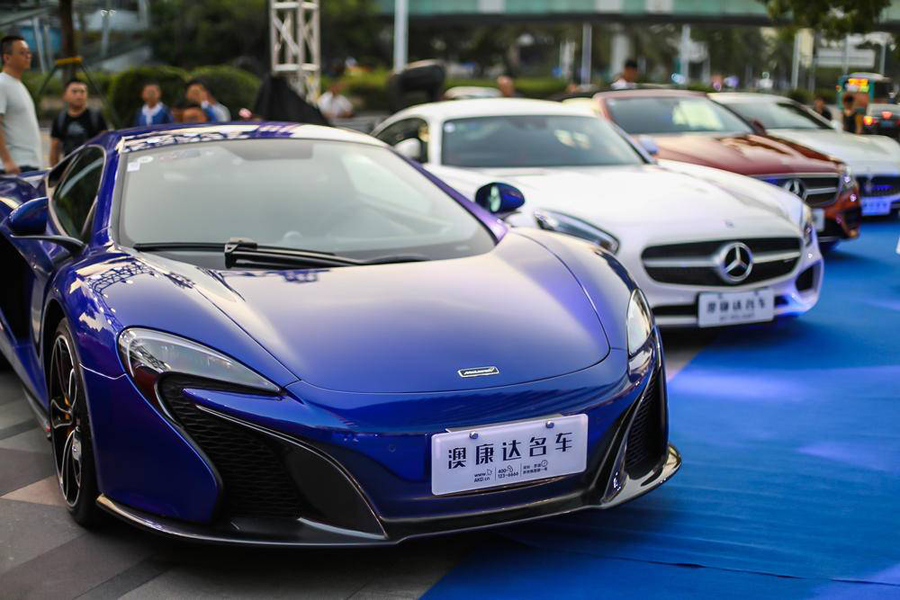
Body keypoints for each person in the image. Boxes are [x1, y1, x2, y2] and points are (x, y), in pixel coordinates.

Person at [0, 35, 41, 174]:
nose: (28, 56)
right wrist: (7, 161)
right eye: (22, 52)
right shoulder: (2, 83)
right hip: (15, 166)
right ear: (7, 58)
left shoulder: (18, 84)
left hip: (28, 164)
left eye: (29, 52)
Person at [49, 79, 107, 166]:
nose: (79, 95)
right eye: (74, 92)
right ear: (65, 95)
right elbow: (55, 149)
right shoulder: (60, 119)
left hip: (93, 169)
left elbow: (106, 144)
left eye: (82, 92)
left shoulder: (96, 117)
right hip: (70, 170)